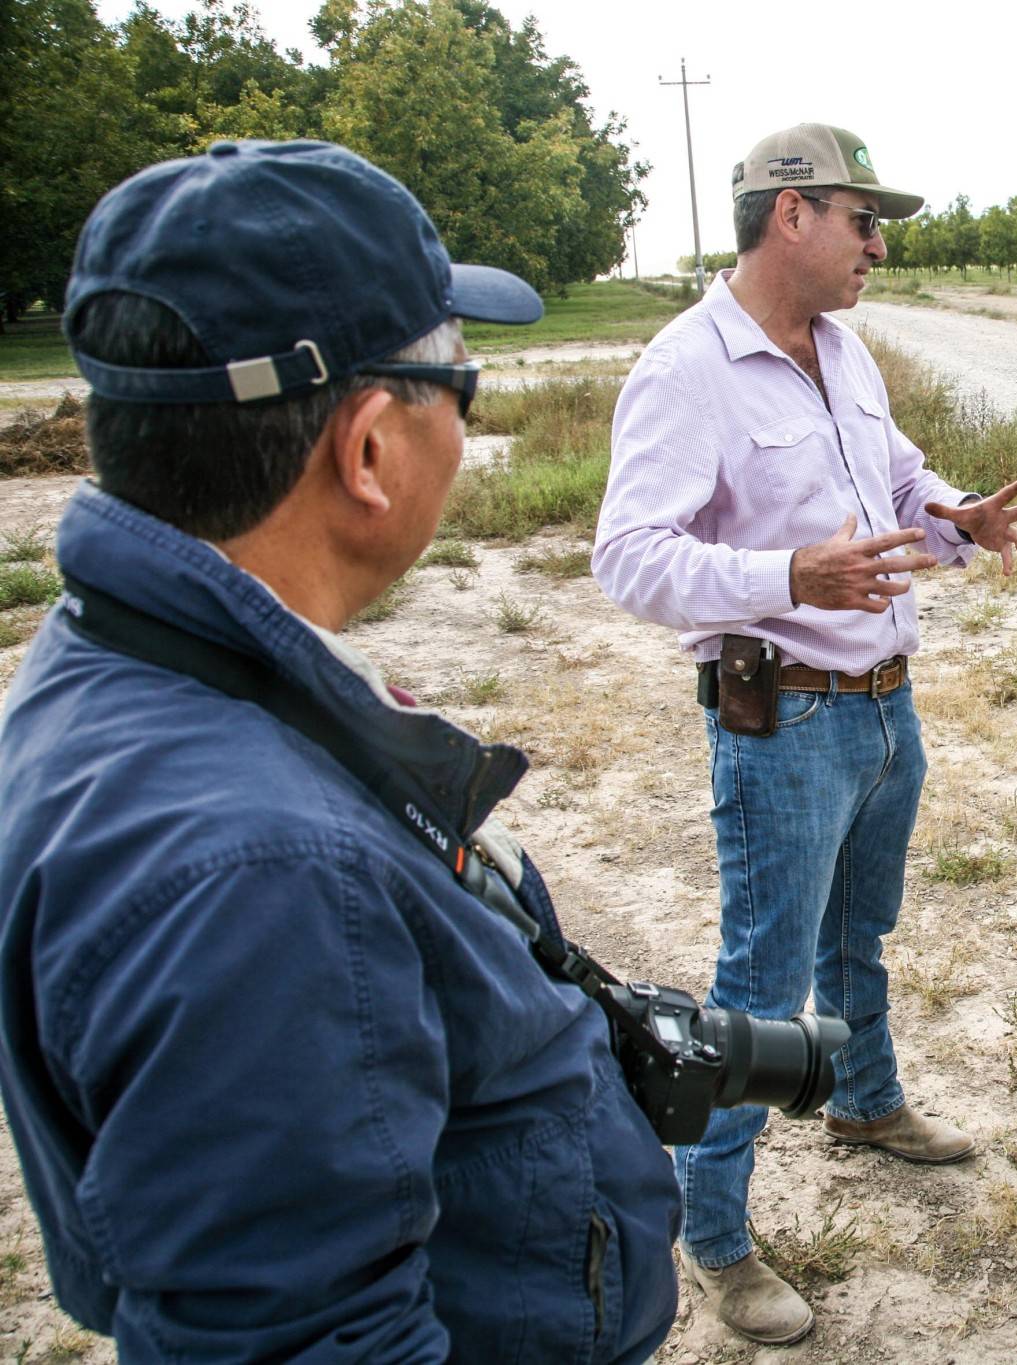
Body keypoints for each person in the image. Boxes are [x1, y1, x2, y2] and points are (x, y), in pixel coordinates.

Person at [0, 141, 682, 1361]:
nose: (462, 433)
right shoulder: (255, 873)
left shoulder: (131, 652)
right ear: (367, 449)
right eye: (458, 392)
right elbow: (303, 1334)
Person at [591, 123, 1017, 1344]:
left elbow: (891, 477)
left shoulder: (843, 349)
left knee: (862, 935)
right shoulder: (686, 369)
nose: (877, 246)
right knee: (759, 982)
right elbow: (628, 559)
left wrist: (950, 514)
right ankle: (717, 1235)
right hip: (782, 721)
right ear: (790, 214)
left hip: (885, 706)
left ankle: (864, 1103)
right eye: (862, 220)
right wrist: (789, 575)